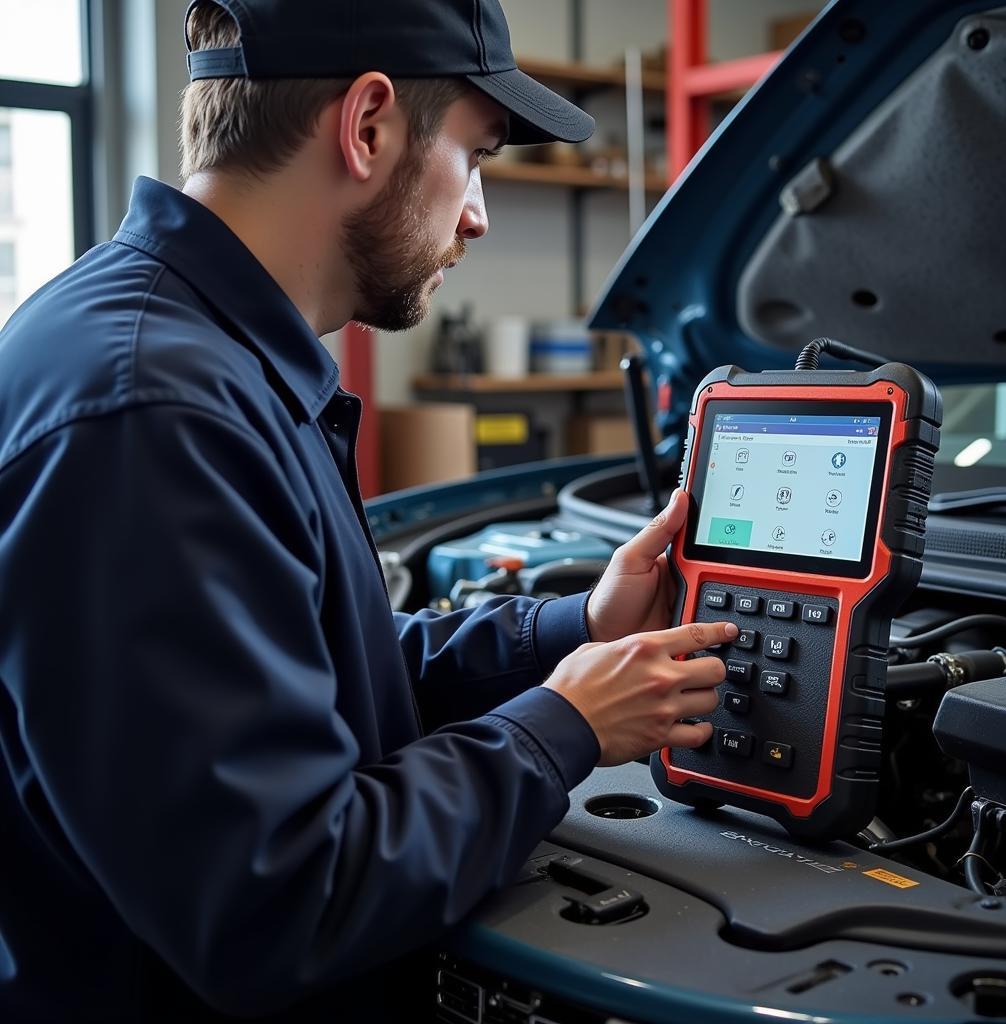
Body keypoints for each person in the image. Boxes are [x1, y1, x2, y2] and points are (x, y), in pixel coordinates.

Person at [0, 1, 734, 1020]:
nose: (475, 213)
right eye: (473, 157)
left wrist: (574, 631)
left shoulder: (192, 354)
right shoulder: (156, 410)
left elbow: (313, 666)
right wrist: (564, 727)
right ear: (369, 125)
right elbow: (282, 897)